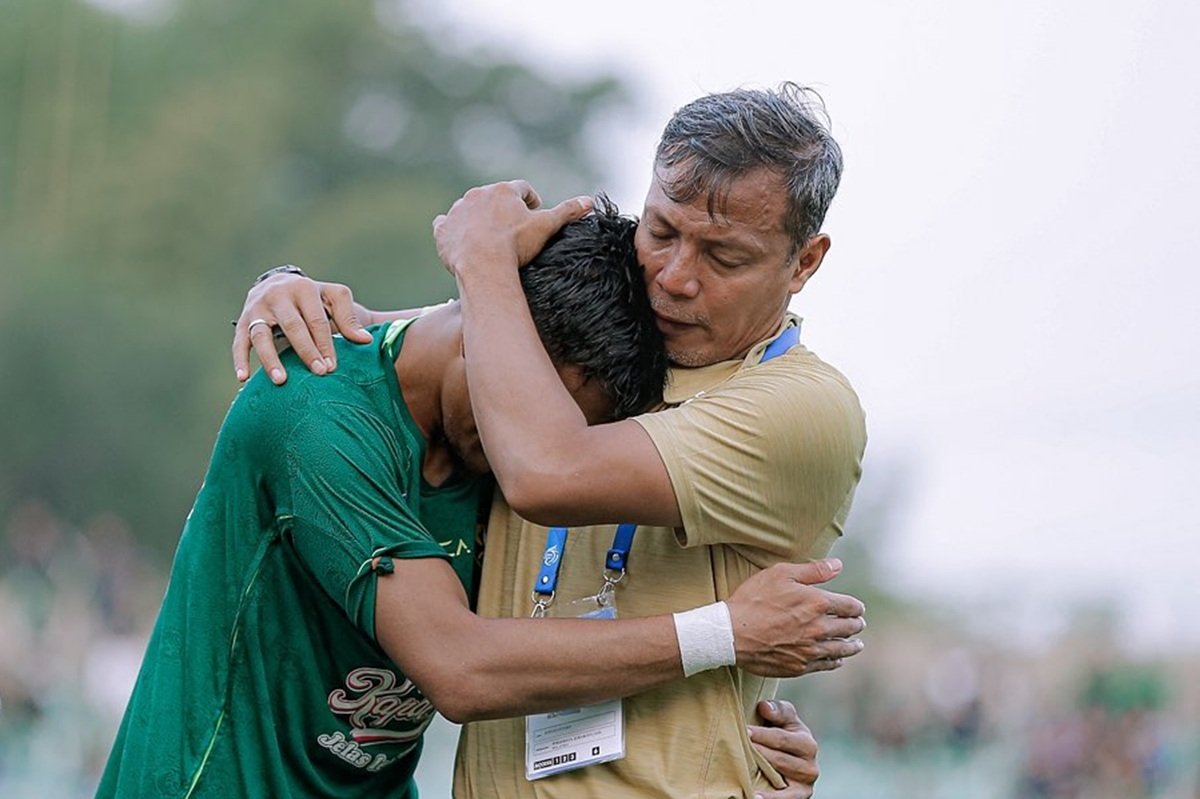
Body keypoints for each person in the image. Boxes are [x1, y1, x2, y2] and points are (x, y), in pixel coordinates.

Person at [101, 200, 864, 798]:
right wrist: (725, 632)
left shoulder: (513, 456)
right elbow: (460, 668)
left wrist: (744, 734)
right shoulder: (313, 412)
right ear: (495, 335)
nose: (521, 450)